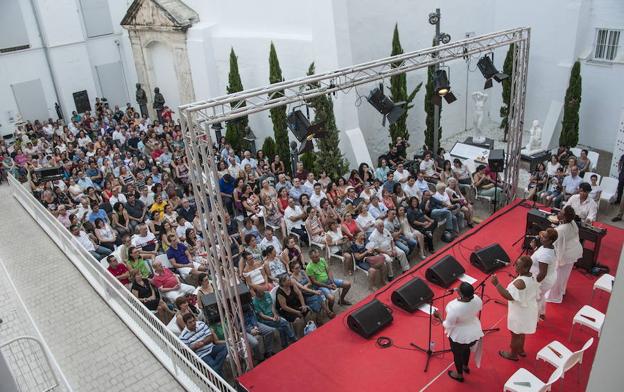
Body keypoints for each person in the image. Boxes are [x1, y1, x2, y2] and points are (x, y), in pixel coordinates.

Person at [490, 256, 539, 361]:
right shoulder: (532, 276)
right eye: (516, 263)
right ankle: (520, 350)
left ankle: (513, 355)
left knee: (515, 334)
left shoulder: (520, 282)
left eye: (518, 265)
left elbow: (508, 296)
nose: (515, 266)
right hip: (528, 309)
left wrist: (496, 284)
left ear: (526, 268)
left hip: (519, 312)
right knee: (521, 332)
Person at [433, 283, 484, 382]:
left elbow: (448, 325)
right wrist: (459, 290)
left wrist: (438, 316)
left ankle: (459, 375)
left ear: (461, 294)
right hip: (474, 332)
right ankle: (465, 366)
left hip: (459, 336)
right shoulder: (477, 299)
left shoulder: (454, 307)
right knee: (467, 348)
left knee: (457, 355)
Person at [547, 206, 583, 303]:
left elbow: (558, 246)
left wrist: (558, 260)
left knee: (557, 276)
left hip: (566, 254)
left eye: (560, 213)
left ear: (565, 217)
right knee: (564, 275)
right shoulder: (572, 222)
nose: (558, 213)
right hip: (573, 252)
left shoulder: (561, 230)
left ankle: (554, 296)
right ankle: (561, 291)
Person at [179, 313, 228, 377]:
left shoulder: (201, 324)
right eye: (190, 322)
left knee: (226, 347)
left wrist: (203, 342)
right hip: (201, 355)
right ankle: (223, 384)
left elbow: (210, 337)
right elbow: (185, 352)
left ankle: (214, 370)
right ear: (186, 324)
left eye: (194, 321)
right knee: (213, 365)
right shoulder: (183, 336)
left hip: (211, 348)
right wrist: (194, 347)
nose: (193, 323)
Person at [530, 228, 558, 319]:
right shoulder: (548, 246)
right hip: (549, 277)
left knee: (535, 300)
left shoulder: (545, 255)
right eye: (542, 235)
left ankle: (535, 319)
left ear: (550, 240)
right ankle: (542, 313)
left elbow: (542, 274)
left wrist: (533, 284)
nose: (541, 237)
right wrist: (534, 248)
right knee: (541, 297)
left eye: (544, 237)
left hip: (542, 281)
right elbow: (539, 256)